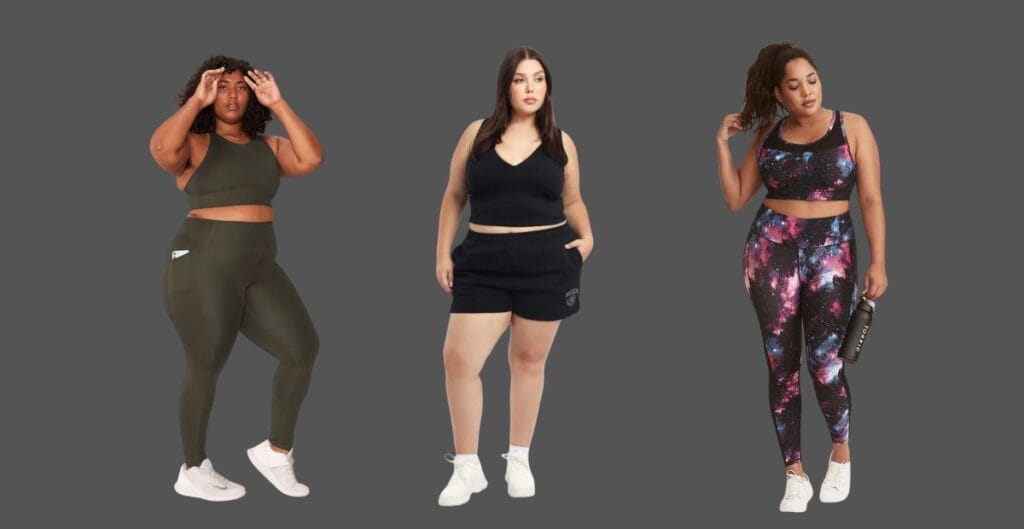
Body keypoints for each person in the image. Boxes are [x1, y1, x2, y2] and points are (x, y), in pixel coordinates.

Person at [716, 43, 888, 512]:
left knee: (826, 363)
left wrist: (878, 262)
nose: (807, 91)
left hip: (832, 250)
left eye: (811, 79)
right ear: (778, 92)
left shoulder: (852, 126)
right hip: (770, 249)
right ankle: (793, 471)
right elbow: (736, 199)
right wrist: (719, 145)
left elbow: (870, 199)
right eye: (794, 85)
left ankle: (841, 453)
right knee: (780, 363)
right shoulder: (768, 134)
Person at [149, 54, 324, 501]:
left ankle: (275, 451)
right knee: (206, 362)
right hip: (203, 260)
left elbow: (311, 158)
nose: (232, 95)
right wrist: (194, 103)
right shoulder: (196, 141)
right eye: (222, 87)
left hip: (260, 263)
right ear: (208, 93)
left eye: (241, 87)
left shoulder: (268, 146)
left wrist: (281, 103)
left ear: (253, 95)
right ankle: (192, 468)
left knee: (301, 348)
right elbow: (161, 151)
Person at [434, 47, 594, 506]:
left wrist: (588, 238)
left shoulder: (562, 142)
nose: (530, 88)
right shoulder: (476, 134)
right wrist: (442, 253)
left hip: (546, 259)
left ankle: (519, 458)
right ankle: (467, 467)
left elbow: (574, 200)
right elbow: (452, 196)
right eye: (521, 79)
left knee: (528, 361)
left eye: (538, 79)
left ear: (548, 87)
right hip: (482, 258)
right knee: (458, 361)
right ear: (506, 86)